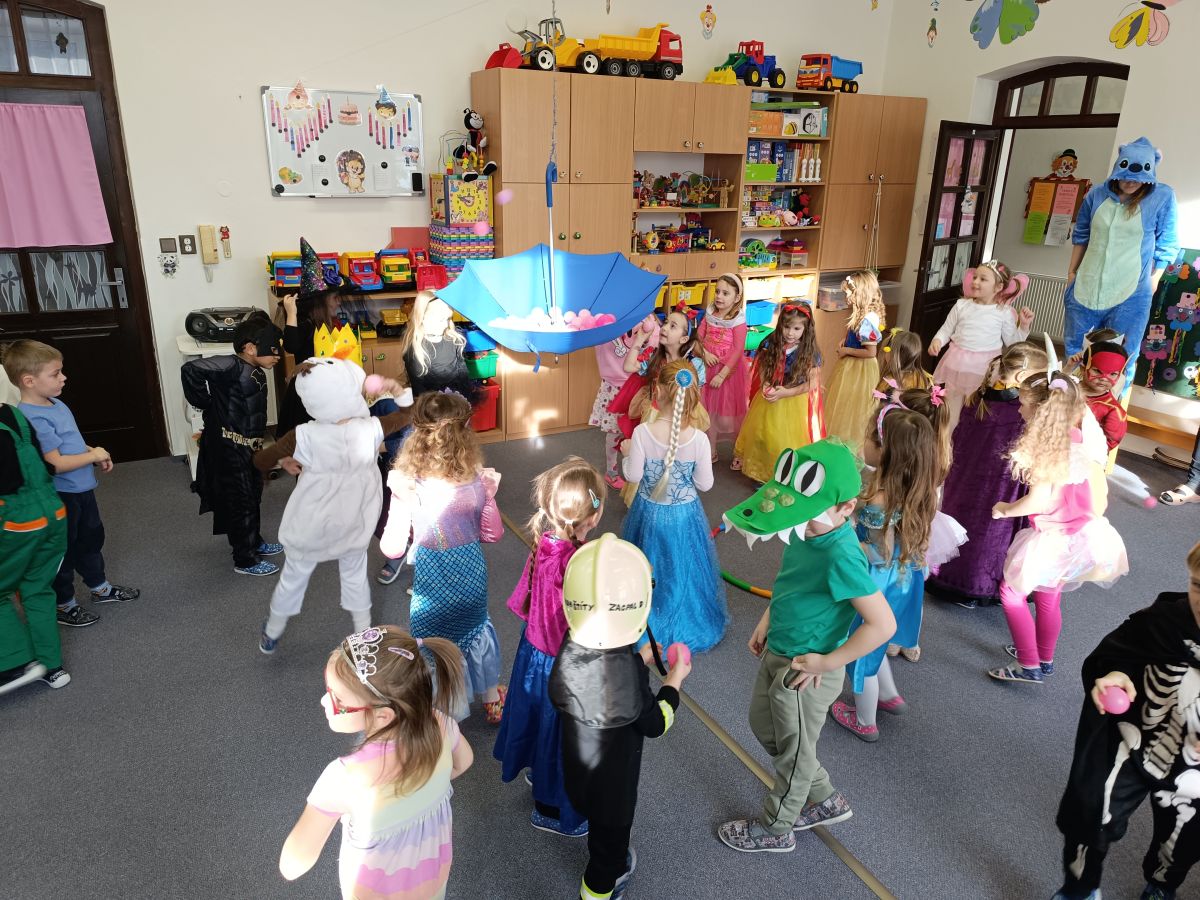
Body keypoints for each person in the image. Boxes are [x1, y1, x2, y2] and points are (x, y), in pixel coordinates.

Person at [717, 440, 895, 853]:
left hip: (808, 671)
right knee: (766, 728)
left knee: (794, 754)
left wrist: (827, 663)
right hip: (781, 647)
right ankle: (825, 797)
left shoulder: (841, 555)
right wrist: (767, 619)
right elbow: (791, 582)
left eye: (810, 512)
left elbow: (883, 624)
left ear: (845, 508)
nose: (802, 519)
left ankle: (776, 828)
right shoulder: (804, 529)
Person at [1050, 542, 1200, 900]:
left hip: (1192, 768)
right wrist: (1114, 673)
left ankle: (1162, 884)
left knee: (1184, 838)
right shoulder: (1164, 621)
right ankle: (1080, 887)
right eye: (1198, 586)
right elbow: (1116, 653)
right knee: (1089, 814)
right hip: (1133, 741)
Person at [279, 627, 473, 899]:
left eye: (338, 699)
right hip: (431, 882)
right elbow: (463, 762)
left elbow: (293, 864)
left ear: (383, 716)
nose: (324, 701)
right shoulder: (441, 724)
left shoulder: (345, 778)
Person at [548, 534, 691, 900]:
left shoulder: (570, 645)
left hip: (578, 774)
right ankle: (597, 891)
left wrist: (639, 660)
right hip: (613, 791)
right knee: (607, 854)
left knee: (598, 825)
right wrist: (674, 682)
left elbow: (598, 677)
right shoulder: (628, 674)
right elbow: (656, 723)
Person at [252, 358, 410, 654]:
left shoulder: (302, 435)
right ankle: (363, 638)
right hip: (353, 519)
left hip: (312, 521)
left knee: (294, 576)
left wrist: (284, 459)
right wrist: (396, 389)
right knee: (354, 574)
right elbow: (407, 414)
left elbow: (261, 460)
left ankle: (272, 632)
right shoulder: (372, 428)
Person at [988, 369, 1129, 685]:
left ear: (1041, 412)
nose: (1019, 410)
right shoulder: (1076, 439)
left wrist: (1005, 509)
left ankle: (1028, 664)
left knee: (1011, 593)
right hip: (1078, 535)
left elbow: (1038, 502)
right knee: (1048, 596)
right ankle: (1044, 656)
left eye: (1023, 404)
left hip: (1052, 538)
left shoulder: (1046, 452)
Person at [493, 457, 605, 838]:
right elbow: (582, 623)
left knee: (538, 717)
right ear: (594, 516)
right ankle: (549, 810)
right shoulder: (576, 564)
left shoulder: (545, 543)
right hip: (561, 664)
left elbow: (526, 602)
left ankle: (536, 771)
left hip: (534, 655)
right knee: (560, 733)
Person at [379, 391, 505, 722]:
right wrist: (488, 496)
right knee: (477, 631)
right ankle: (491, 699)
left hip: (432, 586)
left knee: (433, 645)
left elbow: (392, 549)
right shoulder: (477, 479)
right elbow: (493, 534)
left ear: (417, 434)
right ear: (465, 434)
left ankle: (445, 715)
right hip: (472, 578)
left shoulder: (408, 485)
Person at [6, 340, 138, 629]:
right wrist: (93, 455)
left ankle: (99, 587)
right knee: (63, 551)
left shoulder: (56, 403)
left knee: (90, 539)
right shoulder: (32, 417)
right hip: (61, 496)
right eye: (55, 373)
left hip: (81, 489)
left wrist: (91, 452)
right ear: (29, 381)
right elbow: (55, 463)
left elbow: (70, 442)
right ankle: (64, 604)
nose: (63, 377)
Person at [831, 408, 938, 741]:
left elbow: (878, 553)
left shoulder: (880, 499)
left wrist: (843, 533)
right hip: (903, 579)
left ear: (885, 450)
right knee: (877, 638)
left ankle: (865, 719)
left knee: (860, 648)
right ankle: (889, 695)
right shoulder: (918, 488)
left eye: (869, 436)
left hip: (876, 581)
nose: (863, 441)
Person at [928, 342, 1048, 607]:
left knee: (966, 525)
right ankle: (976, 586)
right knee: (989, 533)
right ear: (1021, 376)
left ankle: (953, 576)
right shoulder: (1019, 410)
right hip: (997, 485)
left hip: (965, 478)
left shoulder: (977, 396)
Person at [620, 361, 728, 653]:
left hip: (648, 513)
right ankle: (682, 616)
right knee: (682, 566)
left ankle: (643, 617)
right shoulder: (699, 439)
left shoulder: (643, 433)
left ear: (657, 391)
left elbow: (633, 476)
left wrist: (627, 453)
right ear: (694, 396)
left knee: (647, 565)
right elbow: (705, 484)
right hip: (684, 515)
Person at [377, 291, 478, 585]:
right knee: (412, 489)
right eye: (440, 318)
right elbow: (427, 393)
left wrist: (462, 414)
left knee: (447, 492)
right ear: (423, 318)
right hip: (426, 424)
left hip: (453, 422)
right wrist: (445, 415)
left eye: (448, 317)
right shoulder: (415, 349)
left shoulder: (455, 341)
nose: (446, 323)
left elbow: (463, 382)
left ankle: (439, 555)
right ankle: (400, 551)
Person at [1064, 137, 1179, 386]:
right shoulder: (1096, 194)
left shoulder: (1162, 197)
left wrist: (1153, 281)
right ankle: (1070, 402)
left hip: (1131, 294)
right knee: (1076, 353)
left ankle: (1111, 407)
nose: (1130, 182)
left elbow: (1168, 243)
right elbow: (1081, 235)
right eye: (1126, 176)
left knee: (1122, 358)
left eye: (1138, 178)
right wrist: (1072, 273)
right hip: (1086, 288)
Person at [181, 318, 284, 576]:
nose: (278, 355)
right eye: (272, 349)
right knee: (241, 501)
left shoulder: (255, 369)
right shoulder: (230, 365)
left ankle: (254, 541)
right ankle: (245, 560)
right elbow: (191, 369)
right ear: (250, 348)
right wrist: (204, 401)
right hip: (230, 447)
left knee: (253, 495)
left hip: (250, 447)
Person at [0, 398, 69, 694]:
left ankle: (16, 664)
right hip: (53, 512)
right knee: (37, 589)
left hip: (17, 521)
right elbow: (44, 465)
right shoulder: (13, 414)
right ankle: (52, 667)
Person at [609, 303, 707, 506]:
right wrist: (639, 340)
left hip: (682, 414)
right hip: (655, 413)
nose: (664, 327)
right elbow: (629, 366)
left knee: (677, 455)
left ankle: (672, 493)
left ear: (684, 339)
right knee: (652, 454)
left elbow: (696, 395)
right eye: (666, 322)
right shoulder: (655, 356)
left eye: (673, 326)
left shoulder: (694, 364)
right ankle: (647, 495)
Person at [928, 260, 1035, 431]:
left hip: (984, 370)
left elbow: (1013, 344)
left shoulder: (1003, 312)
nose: (975, 282)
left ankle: (967, 440)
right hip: (957, 365)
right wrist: (938, 341)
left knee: (975, 411)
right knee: (950, 411)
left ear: (998, 287)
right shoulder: (961, 305)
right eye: (975, 277)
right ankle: (945, 441)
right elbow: (946, 329)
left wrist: (1023, 326)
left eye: (983, 279)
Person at [733, 302, 824, 483]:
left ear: (806, 329)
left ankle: (780, 475)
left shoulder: (810, 352)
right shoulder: (771, 343)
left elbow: (812, 383)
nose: (790, 333)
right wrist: (766, 383)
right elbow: (763, 367)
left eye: (797, 329)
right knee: (762, 434)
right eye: (786, 327)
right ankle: (762, 472)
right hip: (770, 397)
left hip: (792, 400)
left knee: (783, 440)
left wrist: (786, 393)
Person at [276, 237, 349, 436]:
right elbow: (291, 346)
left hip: (325, 390)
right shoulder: (306, 323)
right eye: (335, 298)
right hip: (306, 393)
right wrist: (291, 313)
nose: (339, 302)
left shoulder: (326, 323)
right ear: (322, 301)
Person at [590, 314, 659, 490]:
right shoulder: (604, 320)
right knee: (614, 433)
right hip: (614, 387)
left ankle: (636, 470)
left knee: (637, 432)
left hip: (637, 386)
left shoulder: (646, 319)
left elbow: (656, 343)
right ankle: (611, 473)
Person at [823, 270, 885, 450]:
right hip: (852, 365)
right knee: (843, 402)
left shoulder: (868, 320)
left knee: (853, 406)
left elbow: (871, 352)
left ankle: (850, 444)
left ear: (860, 293)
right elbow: (857, 338)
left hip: (860, 369)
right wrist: (846, 341)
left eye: (849, 293)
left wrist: (847, 350)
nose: (846, 296)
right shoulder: (860, 315)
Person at [696, 273, 750, 463]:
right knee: (708, 410)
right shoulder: (710, 313)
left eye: (725, 293)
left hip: (728, 372)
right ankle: (711, 449)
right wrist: (704, 353)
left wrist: (722, 374)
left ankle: (740, 450)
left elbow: (737, 349)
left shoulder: (738, 320)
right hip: (707, 366)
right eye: (717, 291)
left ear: (736, 297)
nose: (719, 296)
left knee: (729, 415)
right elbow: (698, 337)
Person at [1077, 340, 1130, 453]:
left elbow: (1104, 447)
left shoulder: (1114, 411)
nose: (1104, 378)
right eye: (1097, 371)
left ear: (1119, 376)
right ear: (1083, 369)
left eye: (1113, 374)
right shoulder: (1066, 389)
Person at [876, 327, 933, 393]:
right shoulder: (920, 377)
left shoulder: (890, 380)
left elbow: (875, 398)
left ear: (894, 354)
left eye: (886, 349)